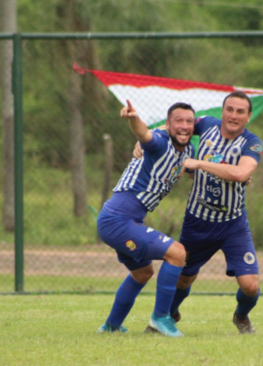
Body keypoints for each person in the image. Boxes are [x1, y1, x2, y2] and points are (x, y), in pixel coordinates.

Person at [139, 91, 263, 334]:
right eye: (229, 109)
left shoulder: (253, 143)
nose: (233, 115)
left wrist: (199, 163)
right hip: (197, 222)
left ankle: (241, 315)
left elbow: (241, 174)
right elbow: (176, 124)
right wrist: (145, 138)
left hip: (233, 225)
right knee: (184, 278)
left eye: (240, 112)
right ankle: (167, 316)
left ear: (249, 116)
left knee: (250, 286)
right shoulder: (206, 124)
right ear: (222, 110)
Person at [96, 100, 195, 337]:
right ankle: (161, 318)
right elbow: (145, 134)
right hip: (118, 219)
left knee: (143, 273)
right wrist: (133, 118)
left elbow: (196, 168)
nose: (184, 126)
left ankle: (110, 326)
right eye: (178, 121)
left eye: (189, 121)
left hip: (125, 220)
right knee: (178, 253)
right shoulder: (159, 143)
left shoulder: (189, 151)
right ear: (168, 125)